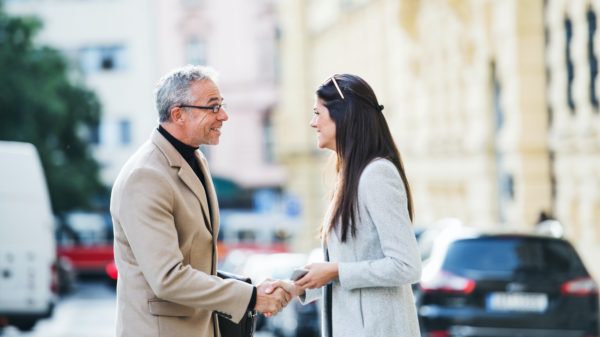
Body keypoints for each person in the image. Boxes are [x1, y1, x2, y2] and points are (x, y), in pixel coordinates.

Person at [110, 65, 291, 337]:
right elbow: (168, 278)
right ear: (178, 114)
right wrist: (251, 297)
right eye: (213, 107)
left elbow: (195, 265)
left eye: (222, 105)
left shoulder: (194, 159)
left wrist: (250, 288)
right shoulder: (145, 176)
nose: (224, 116)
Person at [293, 74, 422, 337]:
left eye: (318, 112)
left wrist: (336, 271)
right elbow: (354, 264)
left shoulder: (376, 174)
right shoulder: (349, 176)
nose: (312, 122)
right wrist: (296, 286)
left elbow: (406, 265)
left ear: (343, 115)